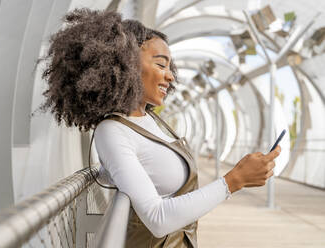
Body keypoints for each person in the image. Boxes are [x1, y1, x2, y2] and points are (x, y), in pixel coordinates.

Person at [38, 8, 281, 248]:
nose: (170, 76)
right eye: (161, 65)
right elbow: (157, 218)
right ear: (126, 64)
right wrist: (234, 179)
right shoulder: (112, 131)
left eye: (169, 67)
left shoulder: (151, 120)